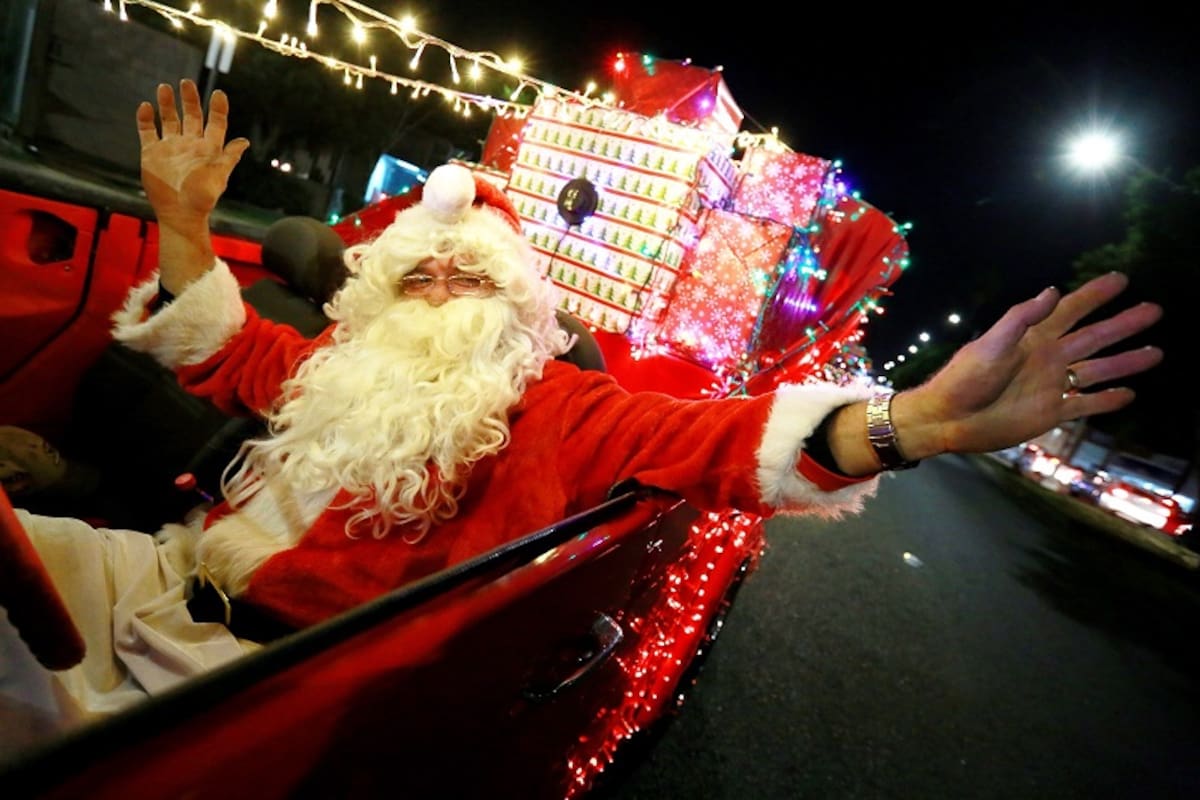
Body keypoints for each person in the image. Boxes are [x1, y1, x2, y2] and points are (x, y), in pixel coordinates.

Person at [2, 79, 1164, 722]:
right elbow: (221, 343)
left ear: (519, 306)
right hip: (155, 573)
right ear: (384, 284)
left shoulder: (559, 409)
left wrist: (915, 423)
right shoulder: (331, 367)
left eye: (472, 271)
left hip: (246, 683)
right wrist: (186, 222)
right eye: (421, 266)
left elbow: (712, 441)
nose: (441, 278)